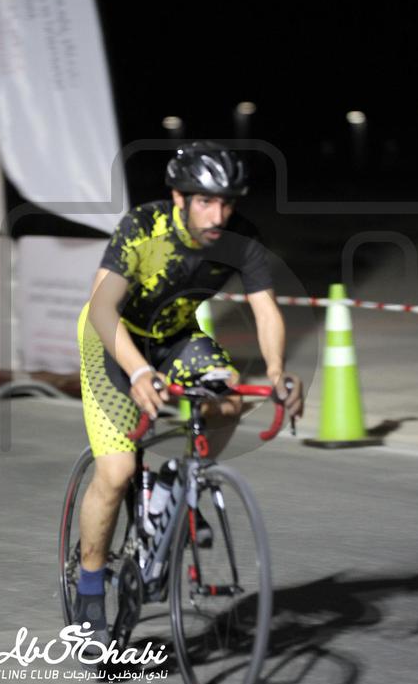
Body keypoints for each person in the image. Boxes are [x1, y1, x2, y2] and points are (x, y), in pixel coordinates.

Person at [74, 141, 304, 640]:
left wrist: (277, 371)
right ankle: (89, 587)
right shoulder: (144, 227)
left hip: (176, 337)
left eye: (226, 203)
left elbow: (266, 309)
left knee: (230, 400)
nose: (217, 215)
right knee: (117, 472)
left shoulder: (240, 239)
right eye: (205, 201)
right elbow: (102, 307)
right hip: (111, 338)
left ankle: (175, 483)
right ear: (179, 198)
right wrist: (138, 371)